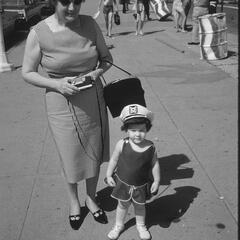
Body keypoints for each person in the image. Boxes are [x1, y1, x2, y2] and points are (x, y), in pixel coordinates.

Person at [22, 0, 113, 230]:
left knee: (95, 150)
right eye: (65, 1)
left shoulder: (91, 25)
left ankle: (91, 198)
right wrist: (58, 84)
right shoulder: (39, 32)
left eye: (77, 1)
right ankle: (74, 202)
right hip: (60, 102)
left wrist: (95, 74)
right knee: (69, 154)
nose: (72, 7)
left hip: (93, 98)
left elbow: (107, 59)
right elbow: (27, 73)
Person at [105, 104, 160, 240]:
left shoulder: (150, 147)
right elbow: (113, 160)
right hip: (123, 183)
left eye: (141, 130)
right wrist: (108, 174)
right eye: (133, 130)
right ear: (126, 130)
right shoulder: (122, 144)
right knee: (122, 205)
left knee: (140, 207)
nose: (137, 134)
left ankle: (141, 225)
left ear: (147, 129)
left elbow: (155, 164)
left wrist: (157, 180)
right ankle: (118, 225)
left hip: (141, 185)